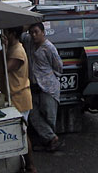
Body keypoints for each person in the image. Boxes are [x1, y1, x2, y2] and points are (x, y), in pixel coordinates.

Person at [0, 27, 36, 173]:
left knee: (21, 133)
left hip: (19, 98)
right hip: (10, 97)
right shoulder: (10, 48)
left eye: (6, 33)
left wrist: (5, 48)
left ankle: (30, 166)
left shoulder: (17, 51)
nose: (4, 35)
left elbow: (1, 70)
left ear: (12, 34)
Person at [27, 22, 63, 152]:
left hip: (49, 88)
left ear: (43, 32)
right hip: (35, 87)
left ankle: (49, 142)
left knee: (49, 116)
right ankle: (51, 138)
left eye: (36, 32)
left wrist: (48, 77)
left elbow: (59, 67)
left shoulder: (49, 48)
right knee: (33, 114)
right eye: (32, 33)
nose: (34, 35)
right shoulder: (30, 44)